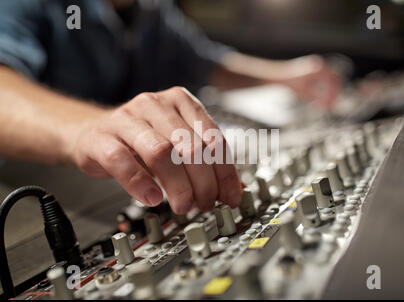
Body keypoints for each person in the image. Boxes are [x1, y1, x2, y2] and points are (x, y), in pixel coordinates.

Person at [0, 0, 339, 215]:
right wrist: (87, 129)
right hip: (48, 205)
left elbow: (207, 62)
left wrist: (287, 76)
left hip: (128, 200)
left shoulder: (154, 11)